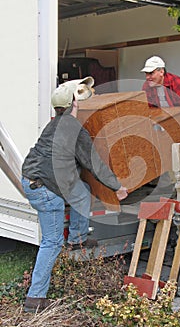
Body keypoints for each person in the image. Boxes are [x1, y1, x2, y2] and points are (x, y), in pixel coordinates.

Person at [21, 79, 128, 313]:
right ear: (73, 104)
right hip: (45, 188)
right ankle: (35, 298)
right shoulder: (74, 128)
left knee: (83, 192)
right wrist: (117, 186)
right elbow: (93, 163)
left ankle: (78, 238)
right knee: (52, 242)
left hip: (32, 179)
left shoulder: (54, 124)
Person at [141, 56, 180, 192]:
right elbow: (150, 111)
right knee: (163, 155)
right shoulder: (147, 87)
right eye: (146, 74)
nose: (147, 77)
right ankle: (168, 190)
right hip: (166, 126)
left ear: (161, 72)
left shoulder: (176, 83)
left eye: (151, 73)